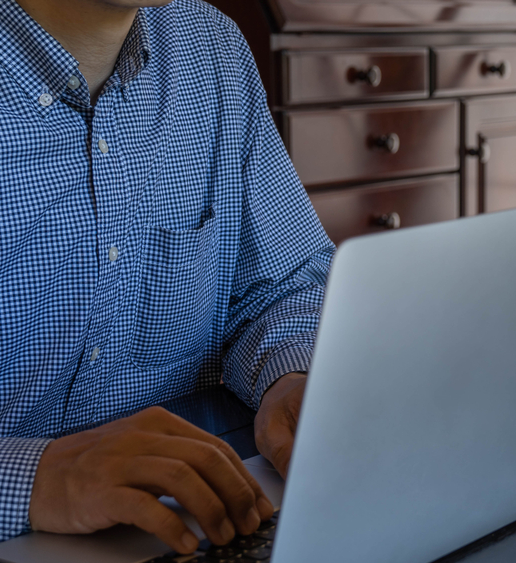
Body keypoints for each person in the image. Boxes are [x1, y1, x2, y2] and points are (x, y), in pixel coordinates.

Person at [0, 0, 335, 555]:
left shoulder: (212, 51)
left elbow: (282, 286)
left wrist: (289, 380)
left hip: (194, 521)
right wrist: (38, 479)